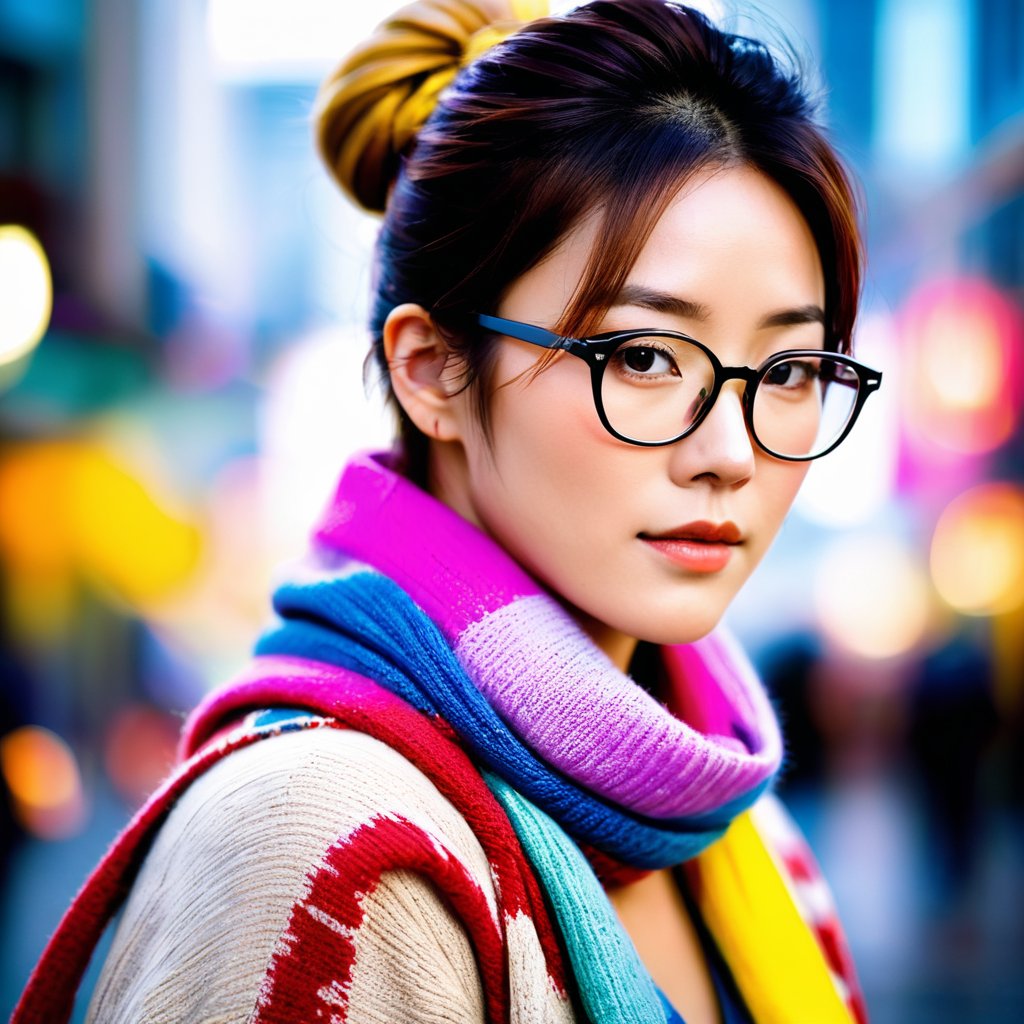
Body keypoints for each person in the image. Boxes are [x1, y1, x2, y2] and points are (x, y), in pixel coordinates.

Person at [15, 1, 882, 1021]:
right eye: (642, 356)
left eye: (789, 369)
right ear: (431, 371)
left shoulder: (745, 832)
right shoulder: (322, 846)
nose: (730, 454)